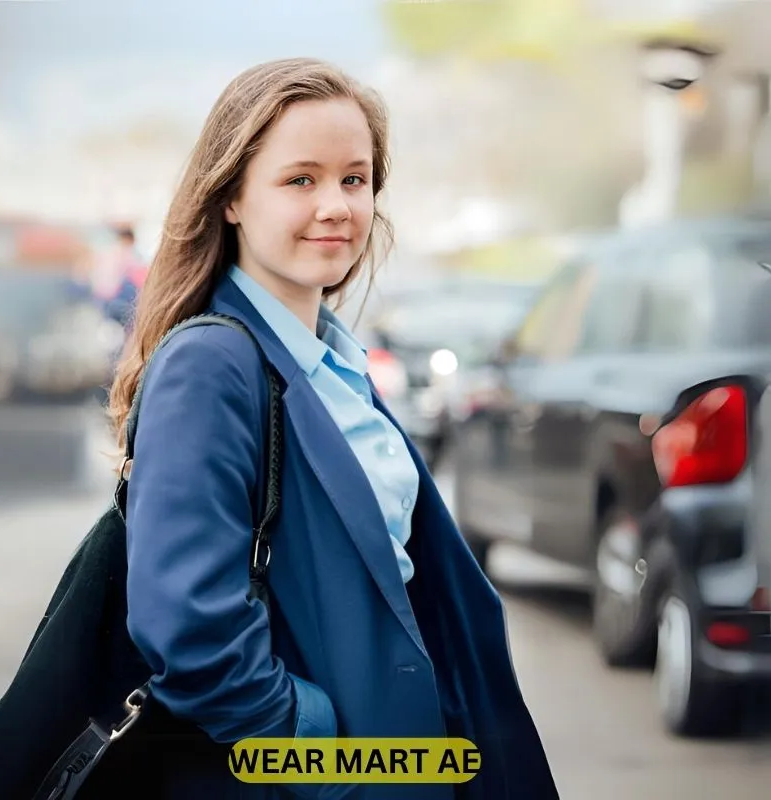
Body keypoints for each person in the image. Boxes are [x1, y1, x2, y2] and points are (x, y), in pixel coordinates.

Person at [102, 58, 558, 799]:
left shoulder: (334, 361)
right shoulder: (212, 364)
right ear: (231, 200)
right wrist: (326, 760)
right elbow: (190, 630)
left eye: (355, 178)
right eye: (300, 179)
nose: (338, 205)